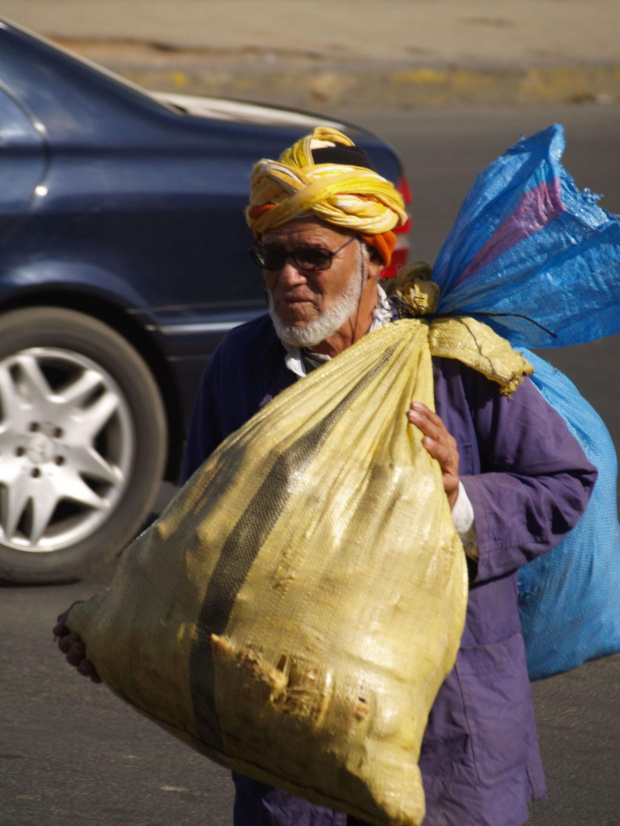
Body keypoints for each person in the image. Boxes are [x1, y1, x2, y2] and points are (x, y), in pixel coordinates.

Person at [56, 127, 597, 826]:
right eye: (272, 256)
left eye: (312, 257)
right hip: (288, 743)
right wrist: (121, 628)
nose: (289, 278)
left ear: (375, 256)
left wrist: (460, 500)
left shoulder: (455, 359)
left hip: (451, 735)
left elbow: (560, 484)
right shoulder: (242, 365)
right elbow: (188, 534)